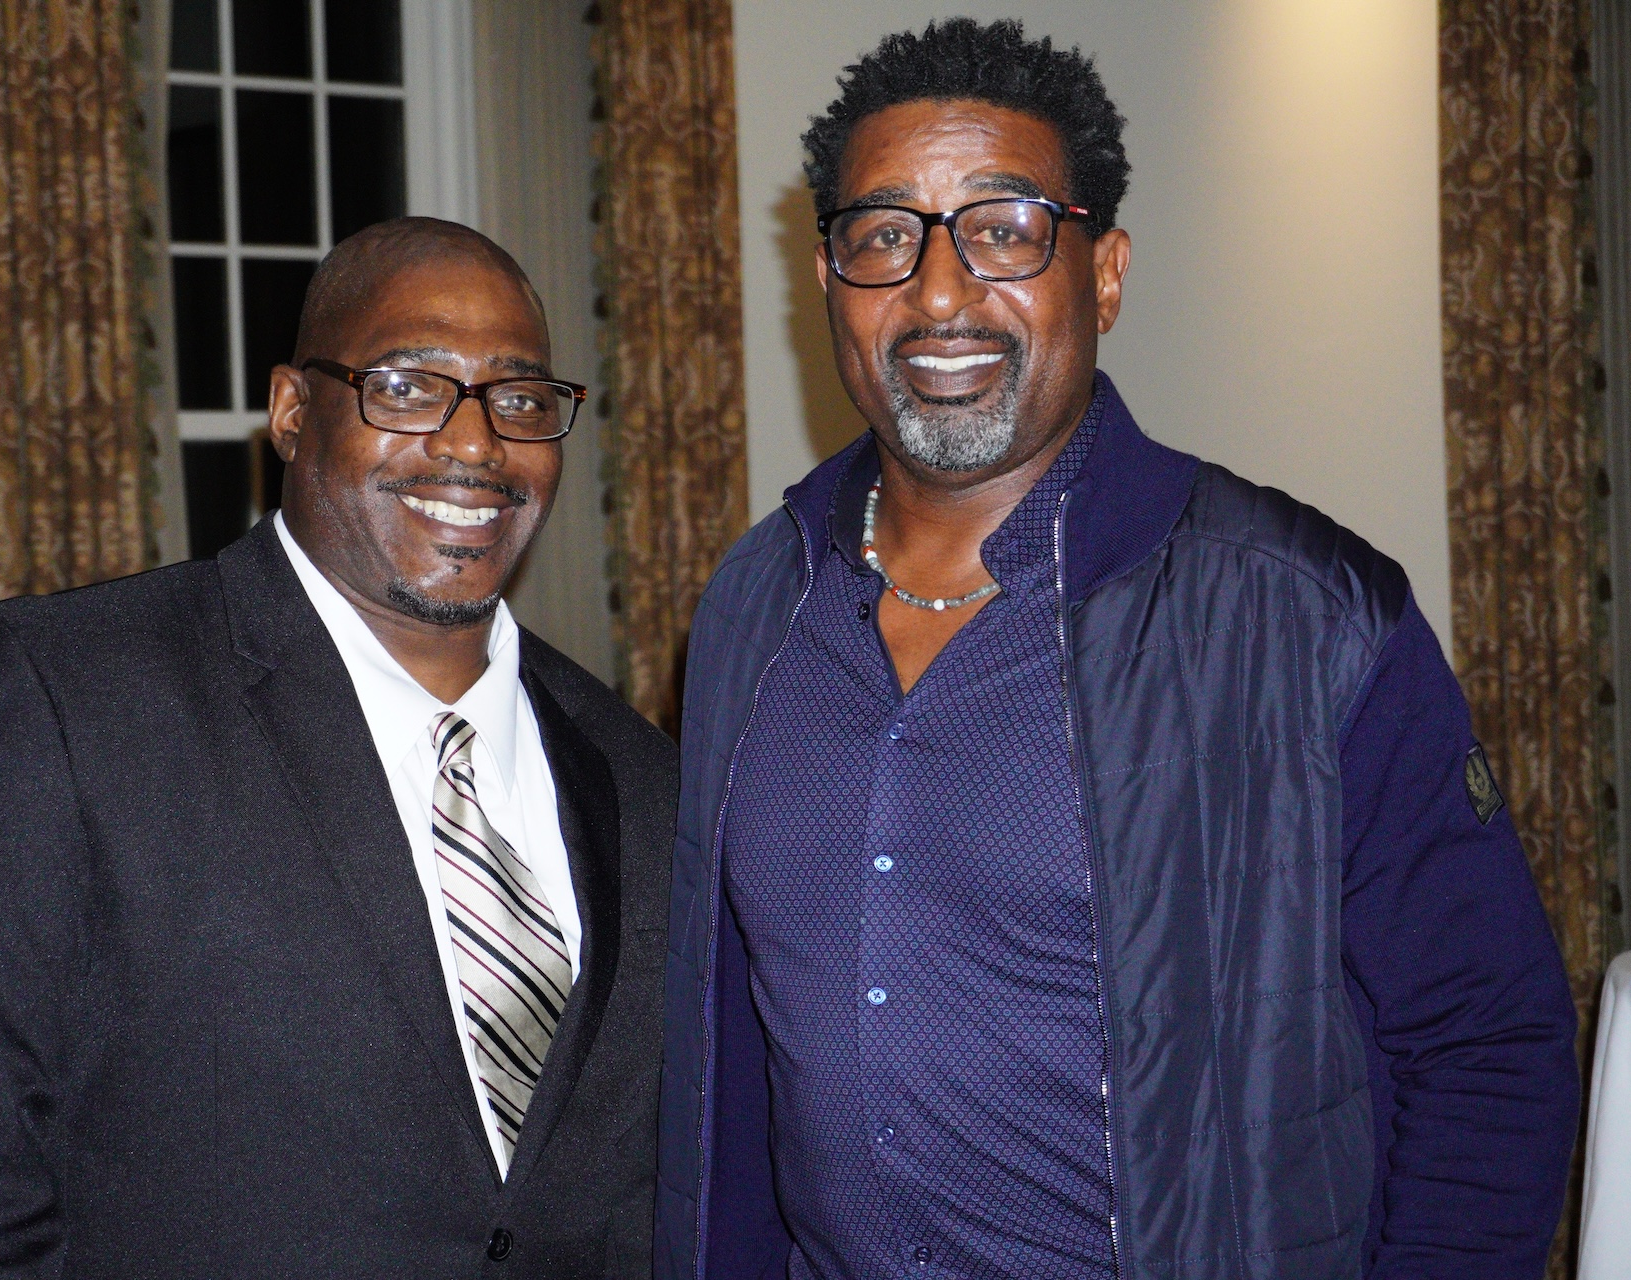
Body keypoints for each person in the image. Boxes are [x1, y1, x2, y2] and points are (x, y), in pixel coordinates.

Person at [658, 19, 1580, 1280]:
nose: (939, 291)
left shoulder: (1301, 617)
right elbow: (722, 1060)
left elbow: (1486, 1044)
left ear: (1103, 274)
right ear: (828, 280)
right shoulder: (751, 610)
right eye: (884, 235)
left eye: (1005, 228)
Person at [0, 218, 674, 1277]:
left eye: (520, 400)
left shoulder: (641, 772)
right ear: (291, 410)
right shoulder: (53, 695)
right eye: (407, 387)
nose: (475, 442)